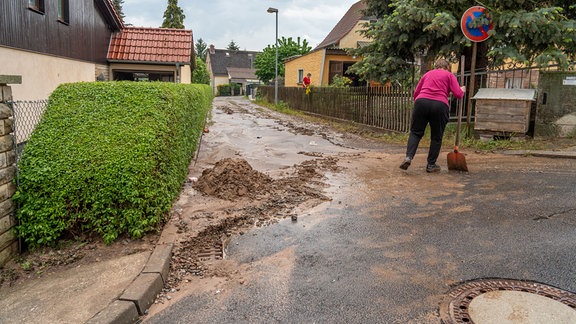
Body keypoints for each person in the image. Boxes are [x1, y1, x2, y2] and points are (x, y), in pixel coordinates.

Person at [399, 59, 466, 173]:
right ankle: (431, 165)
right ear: (447, 67)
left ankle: (408, 157)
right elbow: (458, 94)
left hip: (421, 102)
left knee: (416, 132)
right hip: (439, 105)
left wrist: (420, 105)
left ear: (436, 66)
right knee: (436, 136)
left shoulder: (427, 74)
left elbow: (416, 93)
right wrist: (462, 89)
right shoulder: (449, 75)